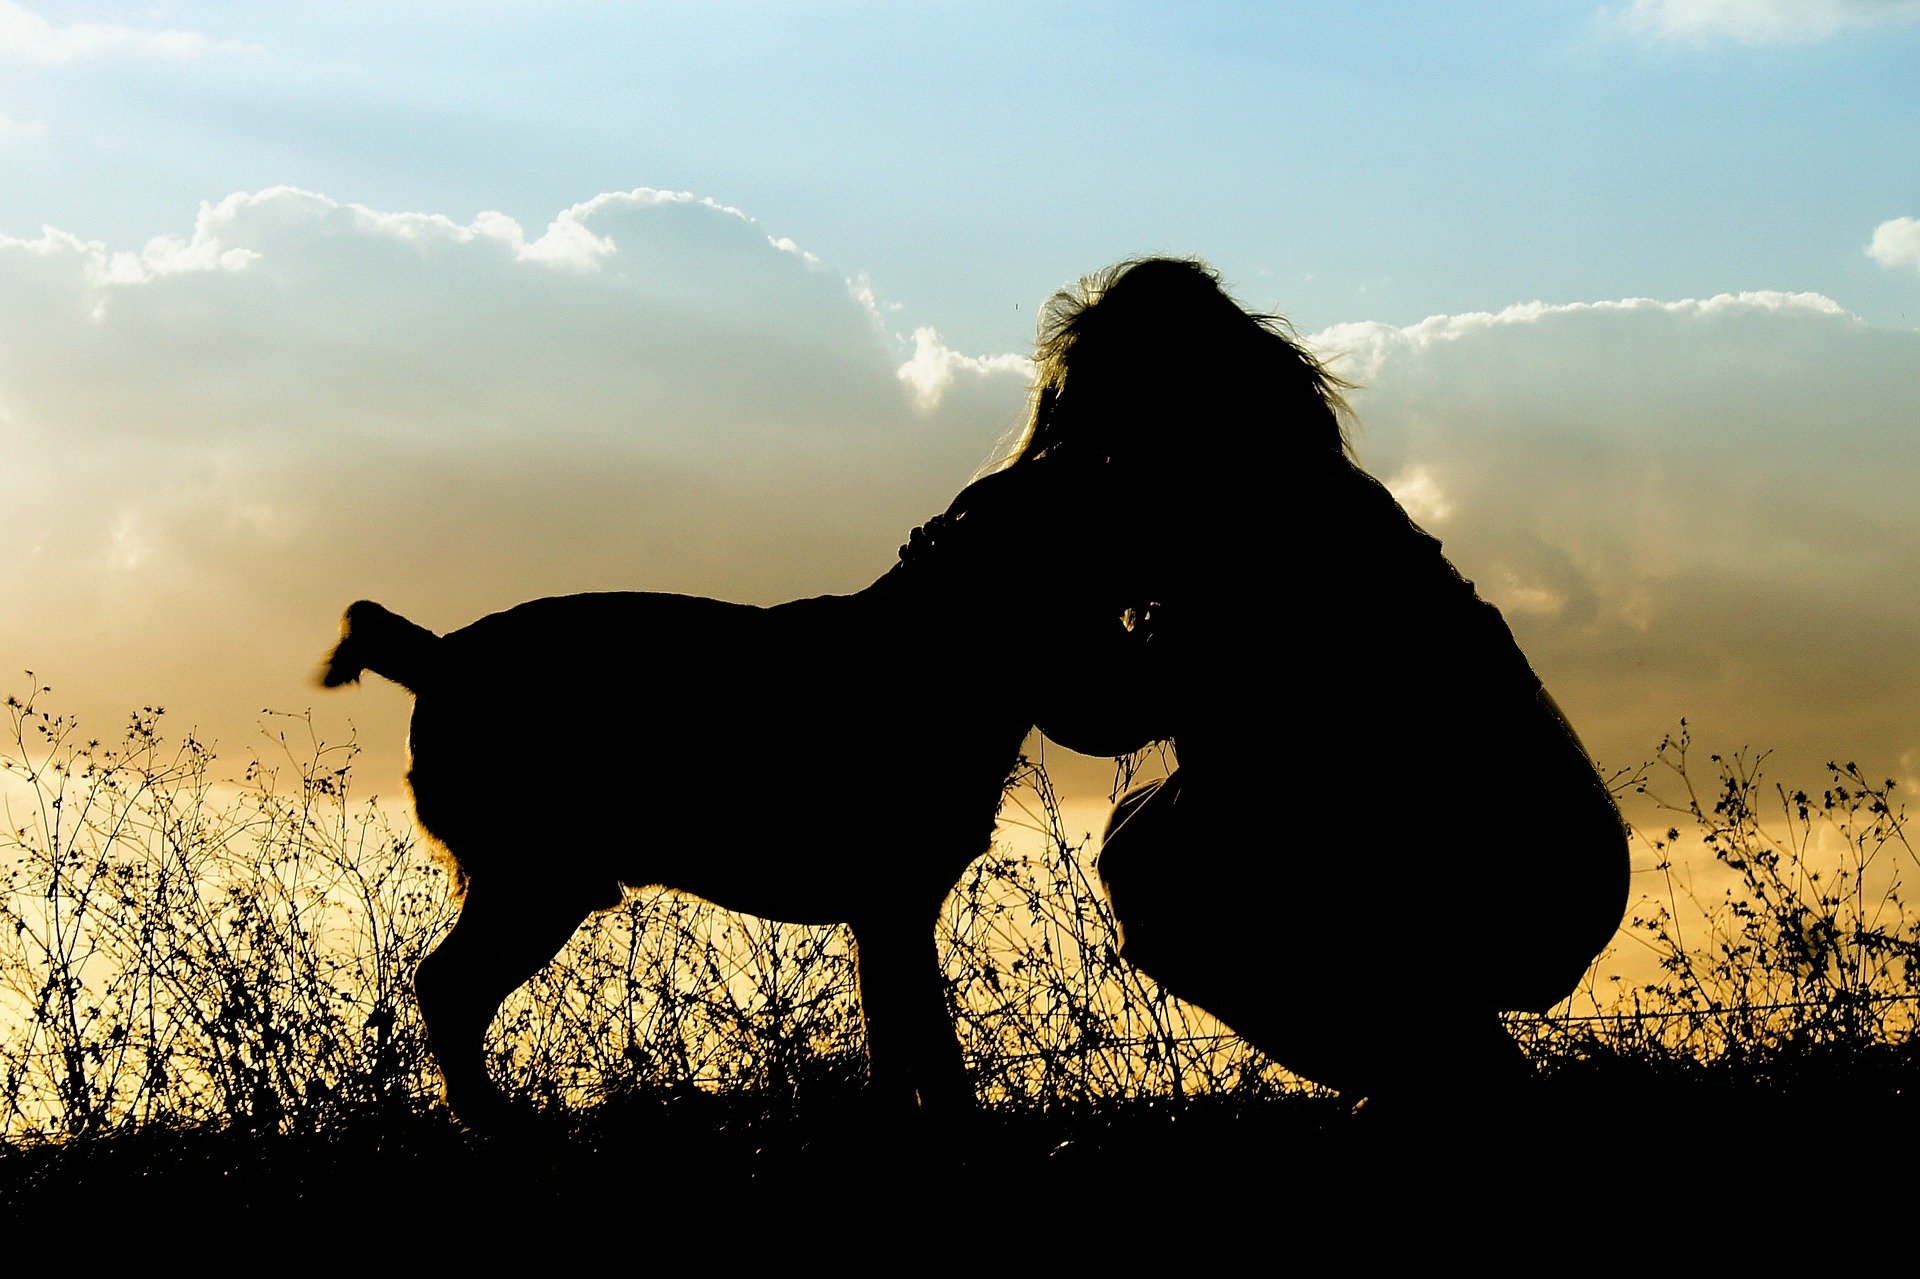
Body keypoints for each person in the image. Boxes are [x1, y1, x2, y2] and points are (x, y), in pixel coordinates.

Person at [909, 256, 1630, 1134]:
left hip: (1503, 863)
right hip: (1551, 852)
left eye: (1111, 430)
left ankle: (1446, 1086)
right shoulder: (1310, 497)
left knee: (1157, 862)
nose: (1105, 460)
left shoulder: (1253, 532)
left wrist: (990, 601)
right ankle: (1443, 1079)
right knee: (1174, 833)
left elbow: (1104, 710)